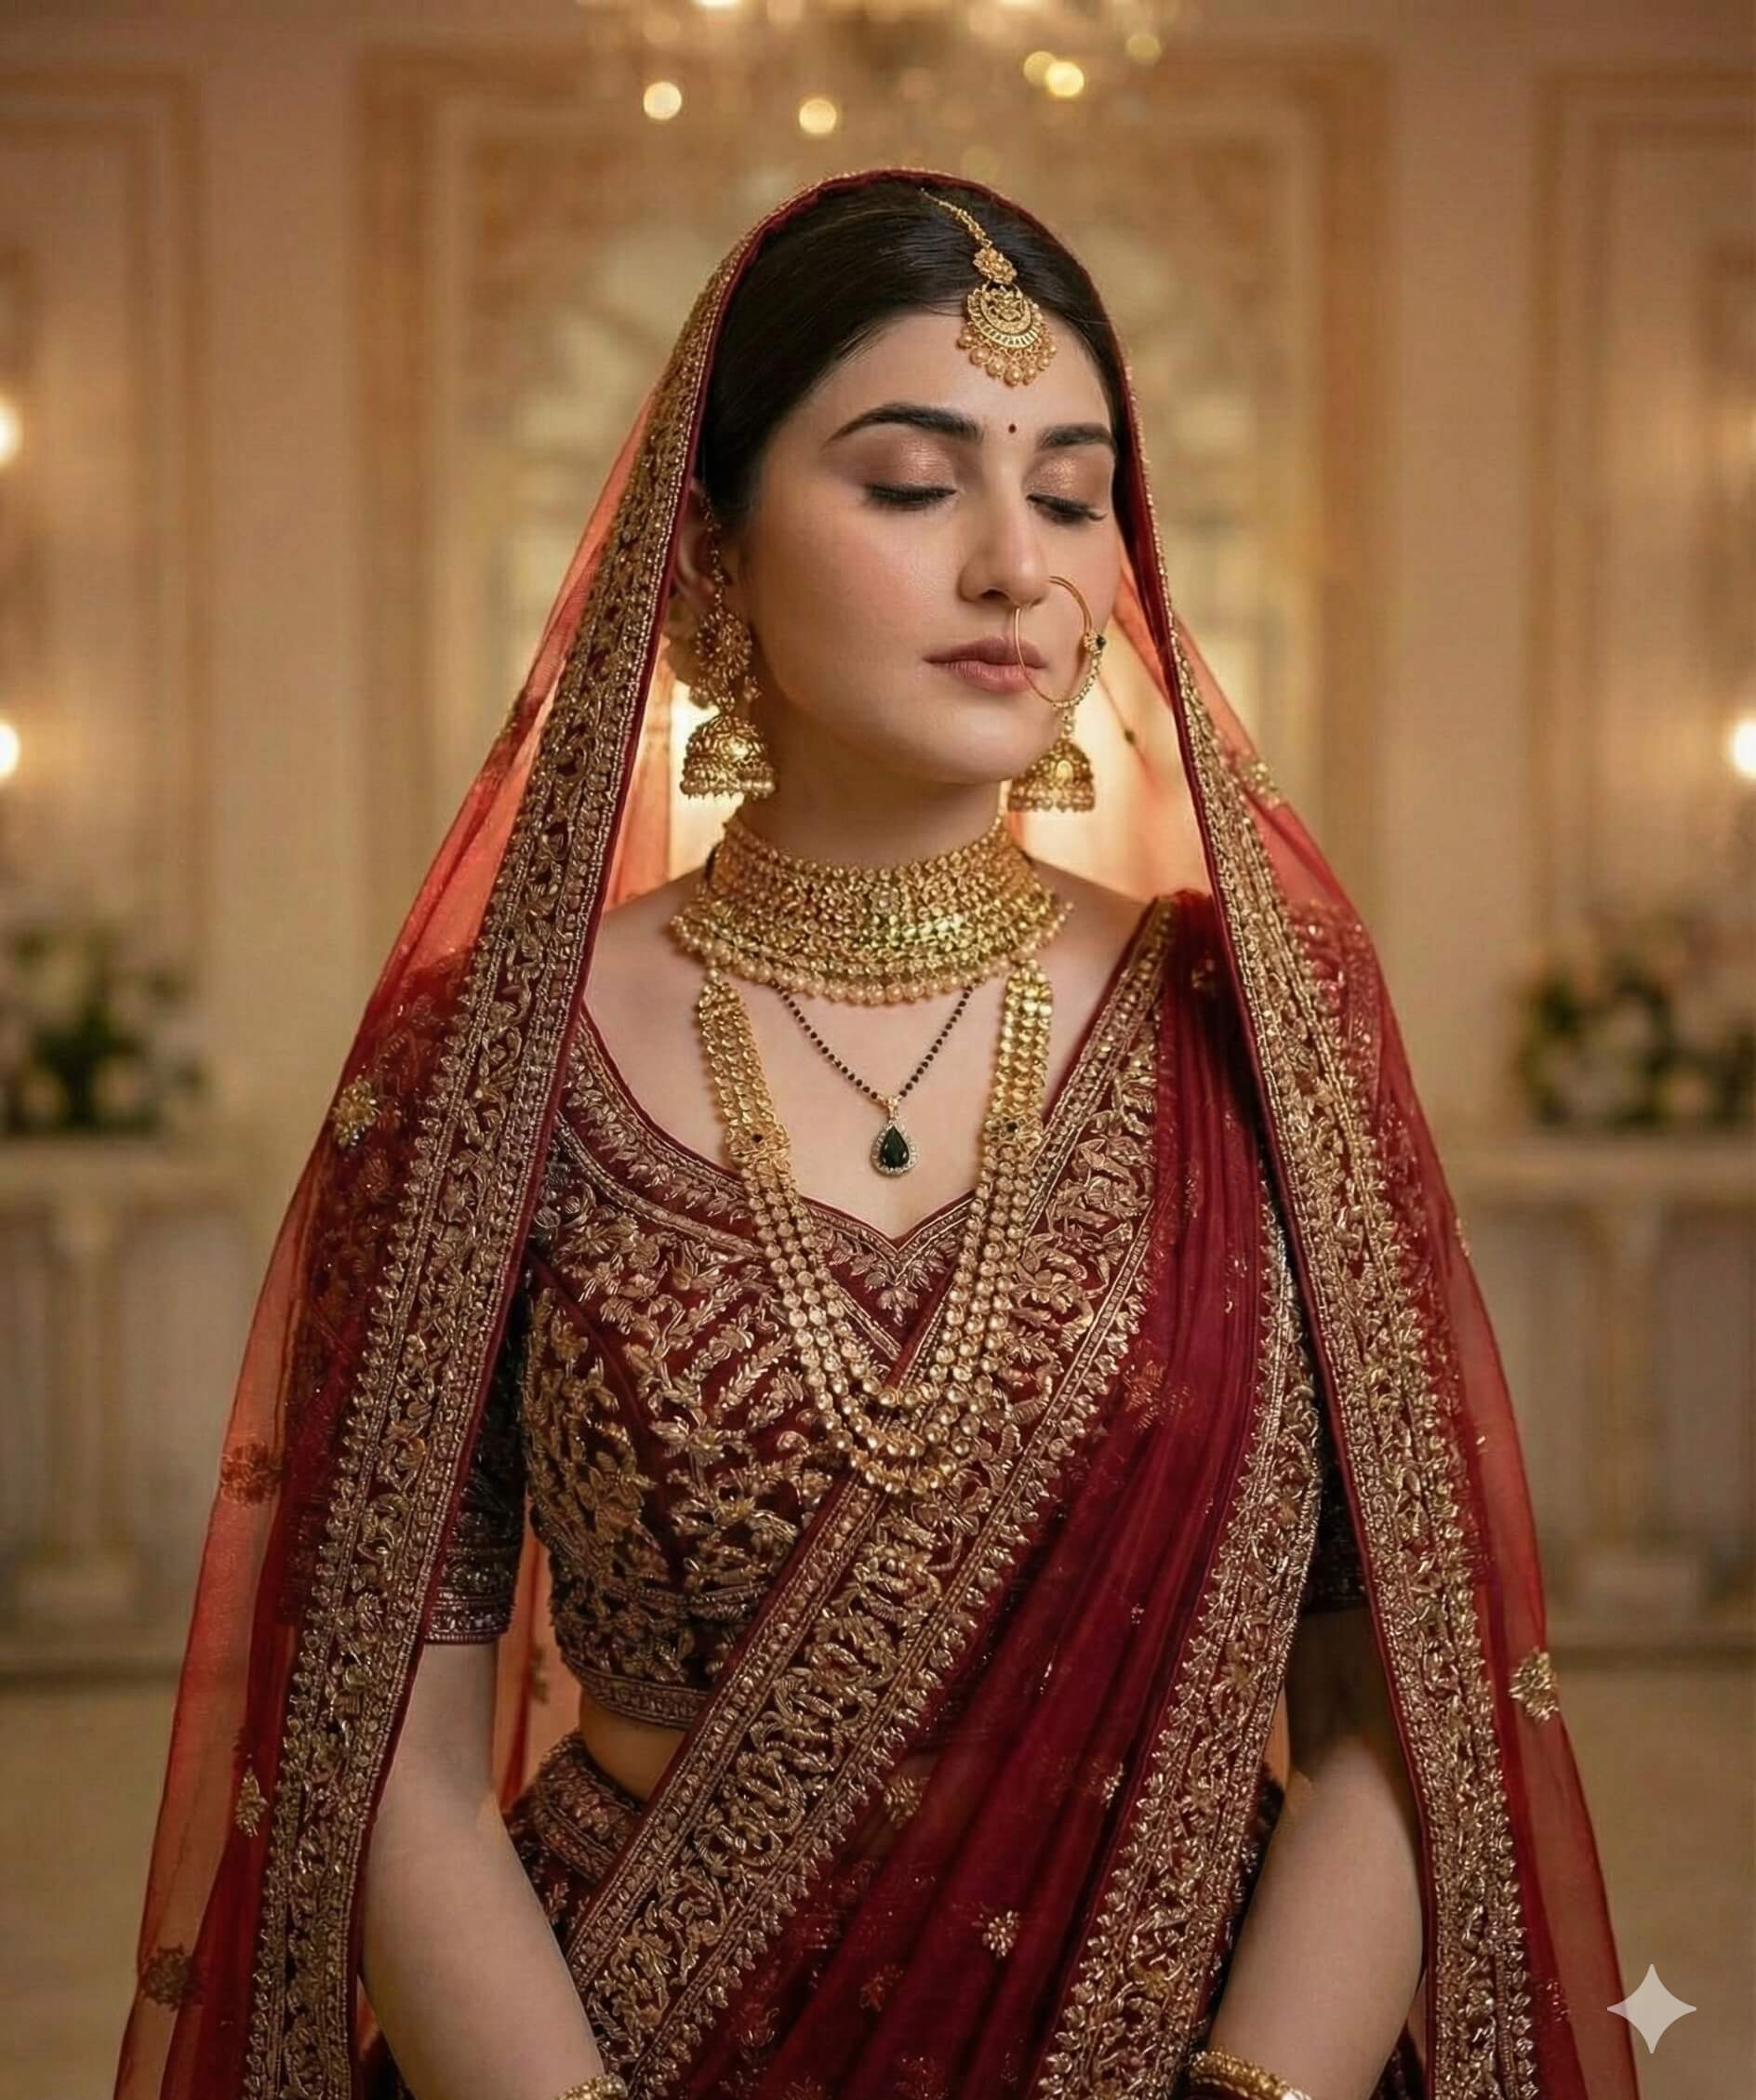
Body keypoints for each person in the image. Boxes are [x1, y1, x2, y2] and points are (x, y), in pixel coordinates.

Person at [112, 169, 1642, 2100]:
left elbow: (1390, 1707)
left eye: (1073, 494)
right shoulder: (482, 1060)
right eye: (913, 486)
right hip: (627, 2042)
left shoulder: (1256, 1032)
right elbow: (378, 1750)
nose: (1016, 564)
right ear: (704, 549)